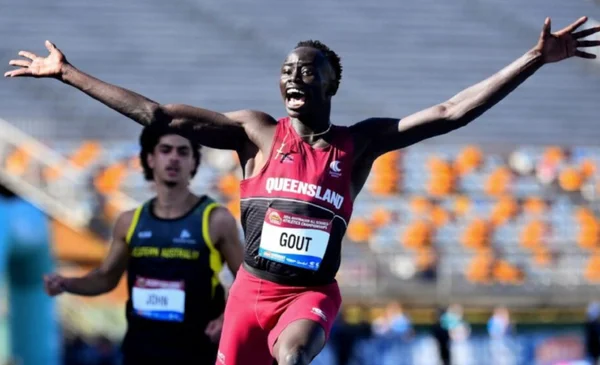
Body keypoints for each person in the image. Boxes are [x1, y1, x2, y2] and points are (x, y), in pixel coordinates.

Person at [6, 16, 600, 365]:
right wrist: (67, 73)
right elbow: (158, 113)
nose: (294, 74)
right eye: (287, 67)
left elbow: (449, 113)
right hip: (249, 295)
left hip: (309, 295)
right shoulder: (254, 134)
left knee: (291, 356)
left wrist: (531, 59)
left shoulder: (359, 144)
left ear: (332, 82)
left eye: (307, 69)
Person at [41, 123, 244, 365]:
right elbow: (106, 278)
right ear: (150, 159)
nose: (173, 159)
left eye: (183, 152)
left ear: (193, 162)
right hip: (141, 351)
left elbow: (246, 281)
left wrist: (225, 319)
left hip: (195, 350)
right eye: (165, 150)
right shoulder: (129, 221)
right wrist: (68, 283)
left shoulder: (215, 219)